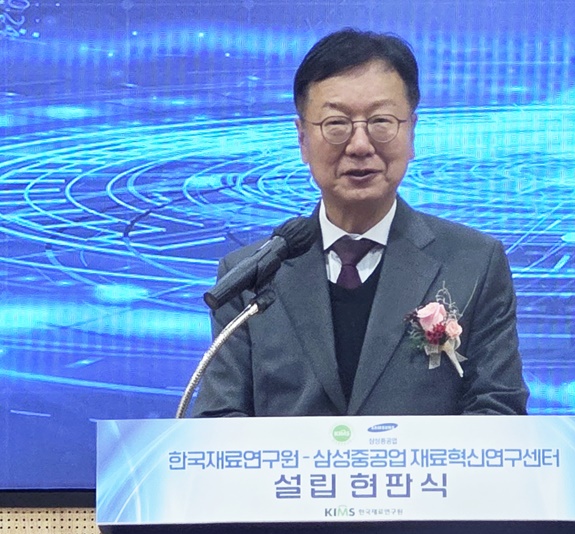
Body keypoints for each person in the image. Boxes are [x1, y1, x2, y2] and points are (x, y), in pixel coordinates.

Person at [192, 28, 529, 417]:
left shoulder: (474, 263)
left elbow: (498, 410)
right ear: (302, 138)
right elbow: (219, 420)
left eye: (381, 121)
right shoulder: (249, 277)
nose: (359, 145)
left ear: (411, 132)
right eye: (336, 124)